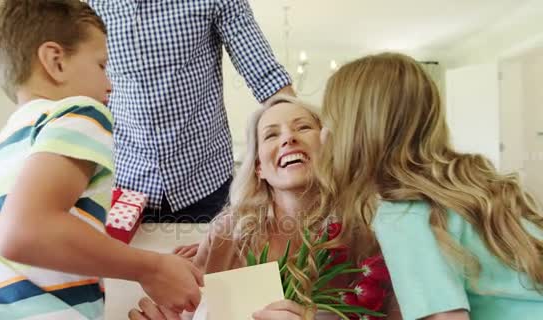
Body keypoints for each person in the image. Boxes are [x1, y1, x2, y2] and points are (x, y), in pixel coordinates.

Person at [0, 1, 202, 319]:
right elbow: (25, 231)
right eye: (101, 66)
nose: (109, 84)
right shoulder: (79, 111)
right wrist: (152, 267)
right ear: (56, 61)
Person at [129, 96, 402, 320]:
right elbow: (194, 315)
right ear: (259, 167)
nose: (288, 139)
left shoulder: (370, 233)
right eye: (271, 135)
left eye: (303, 127)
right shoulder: (226, 233)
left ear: (328, 146)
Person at [316, 52, 543, 320]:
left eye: (327, 121)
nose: (322, 134)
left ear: (353, 133)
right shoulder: (464, 191)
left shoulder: (403, 214)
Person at [86, 0, 294, 223]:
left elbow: (267, 77)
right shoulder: (91, 5)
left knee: (212, 257)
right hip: (125, 185)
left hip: (205, 184)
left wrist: (300, 146)